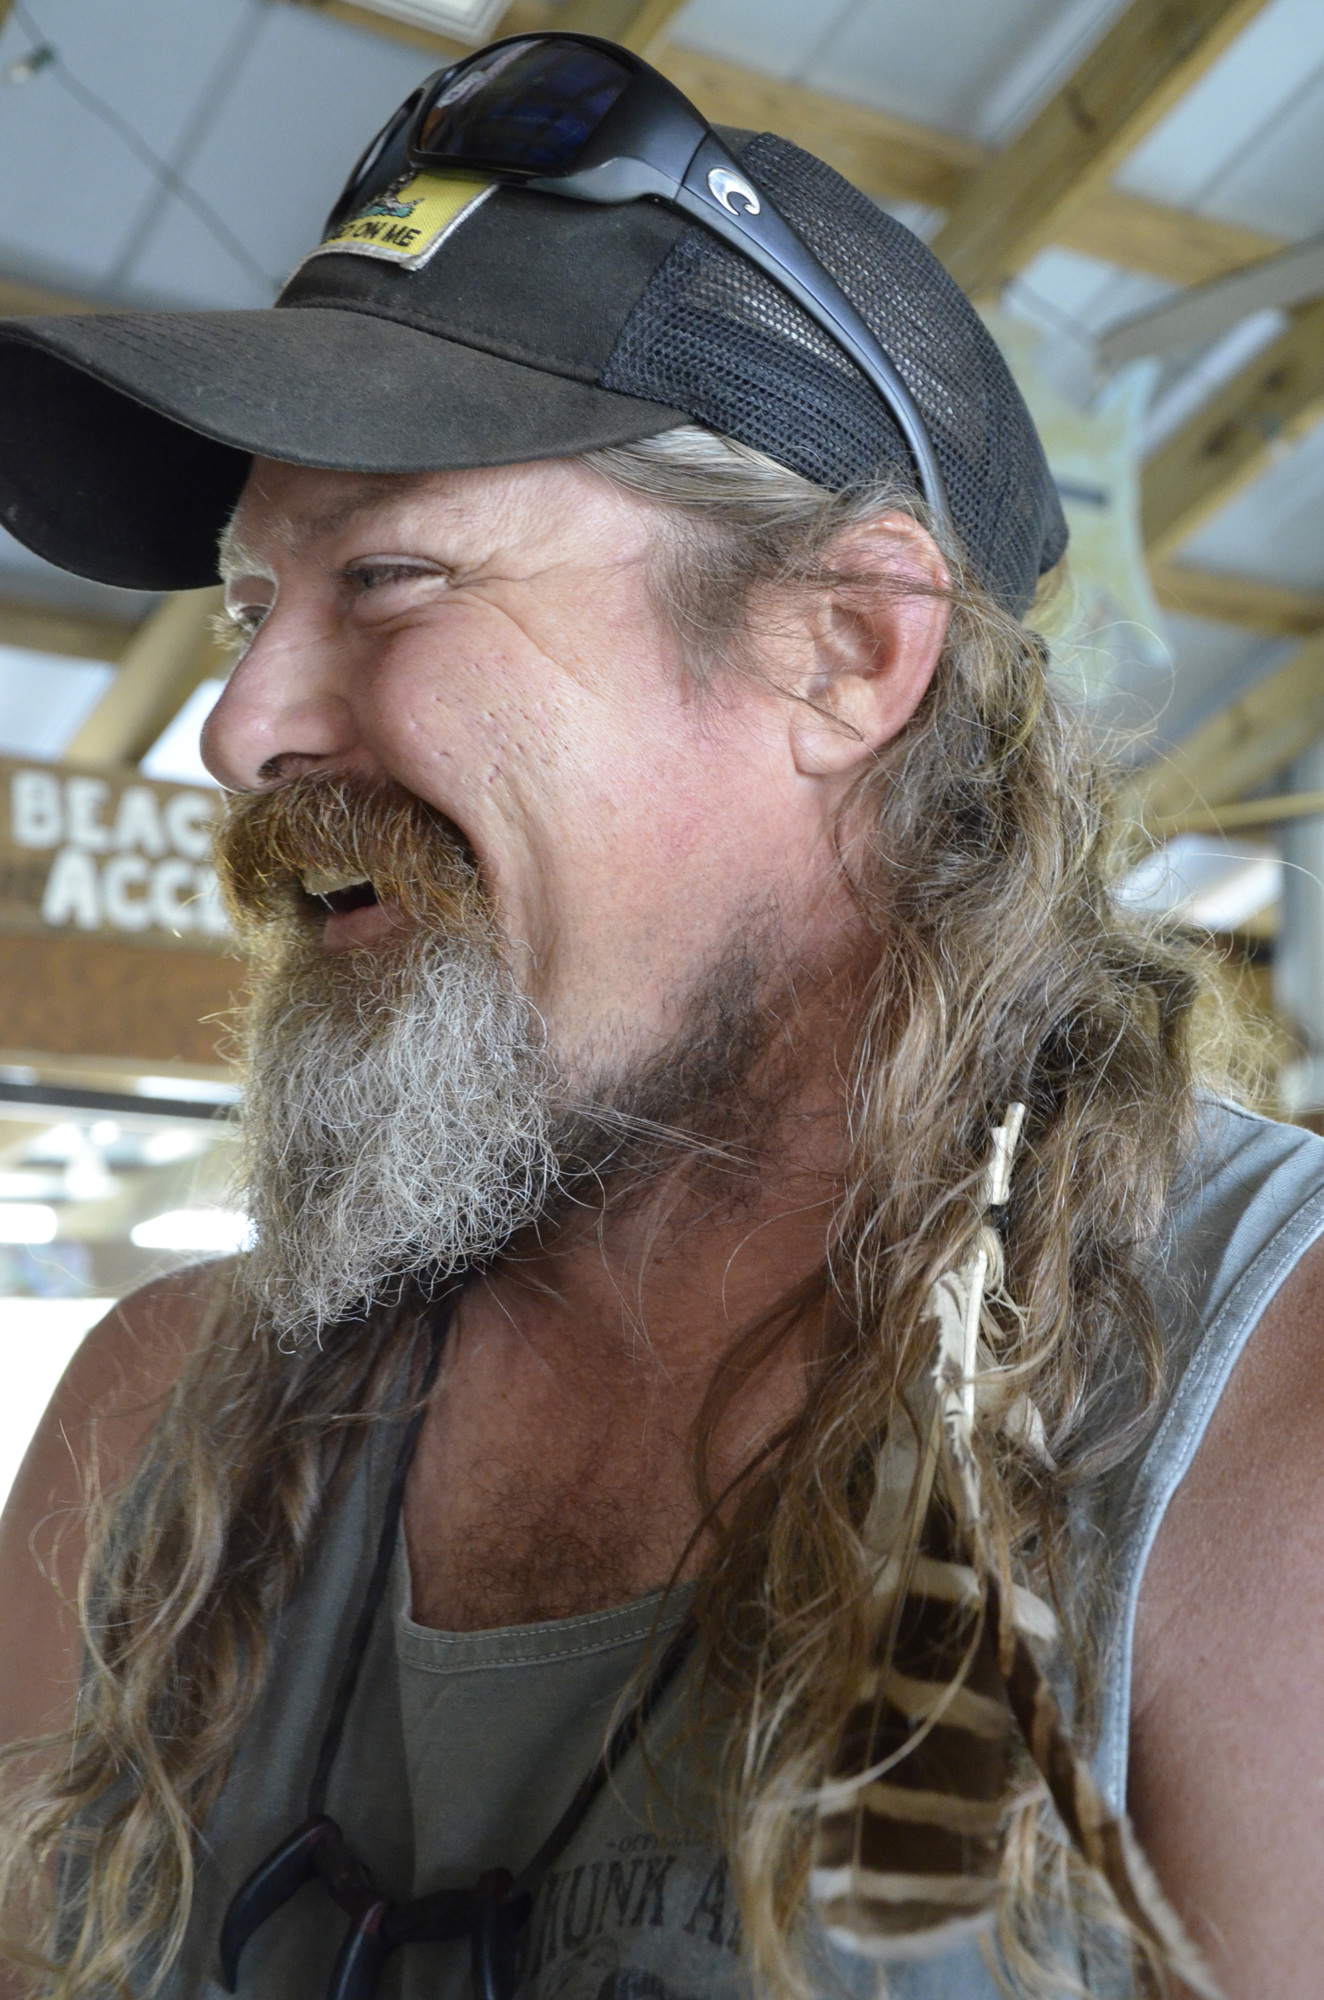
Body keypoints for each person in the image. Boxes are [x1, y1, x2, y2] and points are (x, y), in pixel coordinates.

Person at [0, 34, 1321, 2000]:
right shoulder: (156, 1434)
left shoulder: (1253, 1433)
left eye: (382, 571)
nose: (237, 726)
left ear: (843, 649)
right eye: (243, 602)